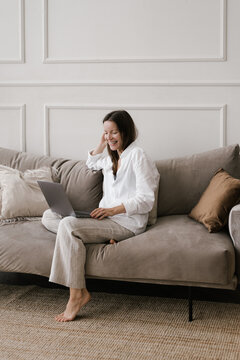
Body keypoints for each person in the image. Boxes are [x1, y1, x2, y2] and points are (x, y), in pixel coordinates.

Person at [42, 110, 160, 322]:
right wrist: (103, 143)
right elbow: (90, 163)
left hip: (126, 223)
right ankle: (97, 237)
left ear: (126, 131)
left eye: (114, 132)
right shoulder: (110, 158)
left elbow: (147, 199)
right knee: (50, 216)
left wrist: (112, 210)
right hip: (105, 221)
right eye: (106, 133)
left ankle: (77, 294)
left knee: (68, 226)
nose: (110, 137)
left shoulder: (138, 156)